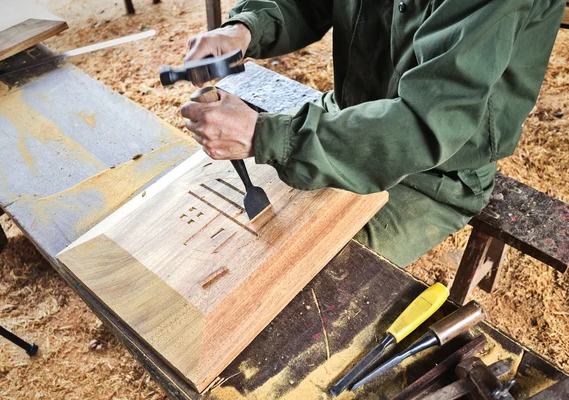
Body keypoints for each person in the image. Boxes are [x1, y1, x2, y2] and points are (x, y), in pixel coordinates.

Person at [180, 0, 565, 267]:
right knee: (235, 245)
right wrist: (245, 28)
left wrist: (267, 136)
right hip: (346, 115)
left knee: (295, 281)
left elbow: (424, 124)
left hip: (435, 171)